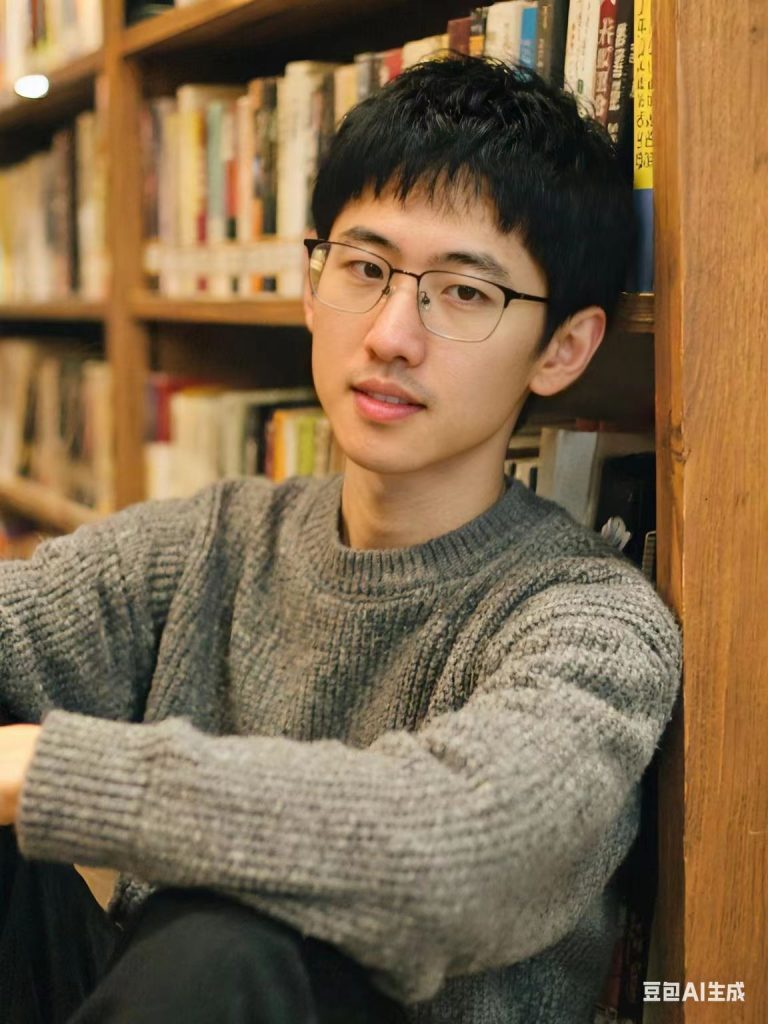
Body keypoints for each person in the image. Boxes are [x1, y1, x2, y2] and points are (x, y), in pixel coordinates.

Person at [0, 55, 681, 1024]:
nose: (393, 334)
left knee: (225, 941)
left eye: (464, 292)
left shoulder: (592, 623)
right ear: (311, 285)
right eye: (365, 269)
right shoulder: (216, 540)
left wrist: (52, 772)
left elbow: (467, 851)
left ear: (563, 348)